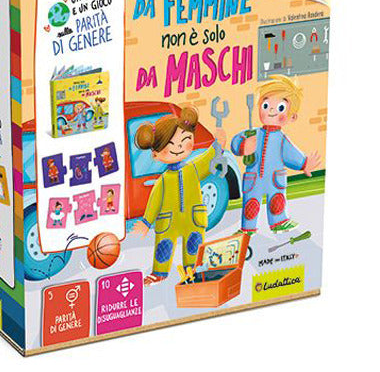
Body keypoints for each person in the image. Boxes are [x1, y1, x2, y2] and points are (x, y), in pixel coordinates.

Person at [133, 106, 225, 286]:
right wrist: (146, 222)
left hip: (193, 219)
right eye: (171, 145)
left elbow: (208, 159)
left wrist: (218, 145)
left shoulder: (194, 168)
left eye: (184, 141)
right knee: (163, 248)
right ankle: (159, 273)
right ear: (156, 154)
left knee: (194, 245)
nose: (179, 148)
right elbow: (154, 201)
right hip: (169, 222)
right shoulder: (163, 180)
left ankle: (193, 270)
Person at [231, 75, 321, 235]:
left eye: (280, 107)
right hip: (253, 180)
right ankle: (248, 228)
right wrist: (244, 146)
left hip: (275, 180)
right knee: (251, 205)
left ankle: (279, 222)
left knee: (277, 202)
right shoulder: (252, 134)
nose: (271, 110)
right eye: (265, 105)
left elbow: (292, 154)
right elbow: (236, 142)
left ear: (292, 117)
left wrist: (304, 164)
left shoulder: (282, 140)